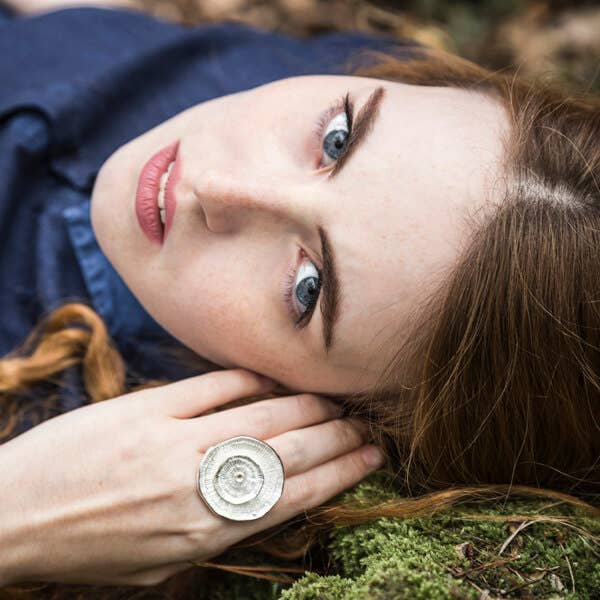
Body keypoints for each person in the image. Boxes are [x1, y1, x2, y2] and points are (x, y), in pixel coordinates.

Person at [0, 1, 598, 596]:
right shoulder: (309, 77)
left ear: (357, 415)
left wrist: (18, 512)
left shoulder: (71, 452)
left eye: (307, 288)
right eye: (338, 140)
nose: (212, 187)